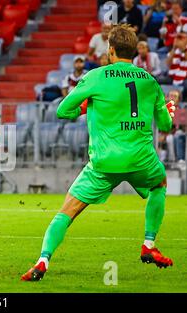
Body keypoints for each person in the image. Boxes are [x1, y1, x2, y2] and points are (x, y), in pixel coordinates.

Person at [22, 24, 175, 282]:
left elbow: (62, 111)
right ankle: (148, 244)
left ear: (111, 50)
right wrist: (168, 110)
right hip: (141, 159)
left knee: (67, 212)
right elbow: (166, 126)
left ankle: (42, 261)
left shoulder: (96, 77)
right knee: (159, 184)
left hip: (104, 162)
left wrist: (86, 107)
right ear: (135, 52)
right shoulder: (150, 81)